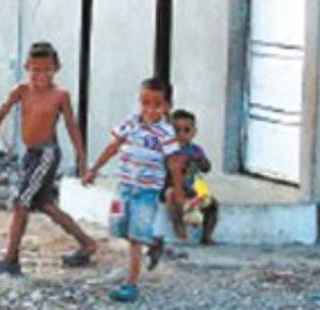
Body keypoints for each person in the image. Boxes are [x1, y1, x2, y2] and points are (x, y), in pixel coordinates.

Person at [0, 41, 97, 277]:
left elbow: (72, 127)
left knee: (21, 202)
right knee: (45, 204)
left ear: (56, 68)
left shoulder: (59, 95)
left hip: (47, 154)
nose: (41, 75)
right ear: (27, 67)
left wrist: (82, 160)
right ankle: (87, 243)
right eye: (36, 70)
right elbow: (0, 114)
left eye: (47, 70)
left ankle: (10, 260)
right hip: (30, 155)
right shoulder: (21, 91)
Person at [82, 78, 183, 303]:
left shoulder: (166, 133)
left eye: (157, 104)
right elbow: (112, 147)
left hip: (146, 192)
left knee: (136, 237)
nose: (150, 109)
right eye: (145, 103)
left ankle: (131, 283)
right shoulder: (130, 124)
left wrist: (178, 191)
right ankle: (153, 243)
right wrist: (93, 170)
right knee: (121, 228)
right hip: (124, 187)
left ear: (167, 106)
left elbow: (174, 163)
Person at [164, 109, 219, 245]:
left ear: (193, 132)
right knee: (170, 194)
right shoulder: (167, 149)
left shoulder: (196, 150)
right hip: (170, 186)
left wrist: (200, 160)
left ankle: (207, 234)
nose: (181, 134)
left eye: (186, 130)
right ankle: (178, 224)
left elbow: (206, 168)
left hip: (190, 186)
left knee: (212, 203)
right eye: (176, 130)